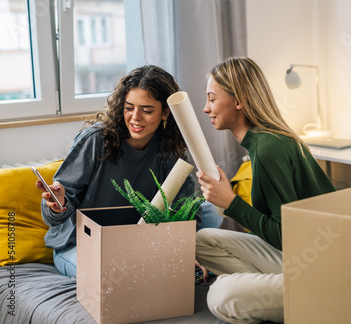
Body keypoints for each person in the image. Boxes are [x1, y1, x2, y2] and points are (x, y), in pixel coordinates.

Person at [37, 65, 222, 278]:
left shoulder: (169, 147)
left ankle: (155, 262)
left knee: (208, 210)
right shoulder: (95, 140)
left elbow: (184, 205)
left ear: (165, 113)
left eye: (147, 110)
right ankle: (144, 268)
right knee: (108, 273)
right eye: (129, 107)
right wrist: (58, 205)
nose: (135, 117)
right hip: (82, 243)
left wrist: (181, 249)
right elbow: (55, 214)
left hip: (137, 237)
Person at [196, 57, 336, 323]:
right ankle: (269, 294)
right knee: (201, 240)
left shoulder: (270, 149)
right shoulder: (265, 141)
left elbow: (288, 236)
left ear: (239, 101)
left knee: (220, 296)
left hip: (320, 268)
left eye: (212, 99)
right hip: (299, 253)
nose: (205, 108)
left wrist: (232, 203)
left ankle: (294, 298)